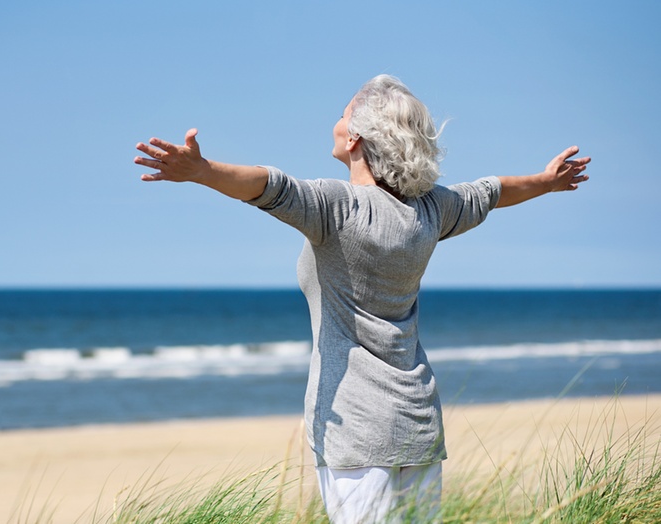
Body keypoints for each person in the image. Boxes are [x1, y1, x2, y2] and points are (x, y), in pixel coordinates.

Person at [133, 74, 590, 523]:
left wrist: (202, 171)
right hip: (418, 424)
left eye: (343, 111)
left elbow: (269, 185)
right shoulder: (430, 210)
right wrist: (546, 181)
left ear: (355, 136)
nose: (335, 119)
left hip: (357, 432)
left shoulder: (338, 207)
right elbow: (491, 192)